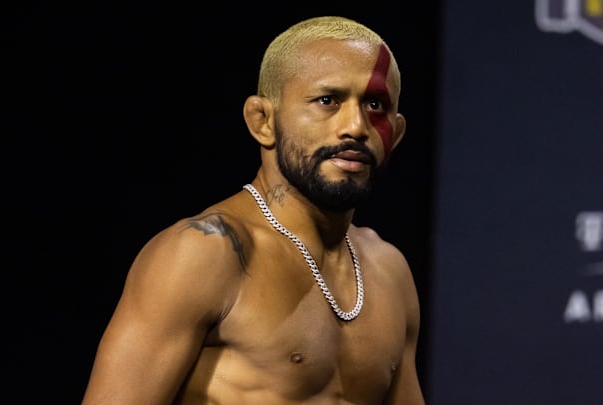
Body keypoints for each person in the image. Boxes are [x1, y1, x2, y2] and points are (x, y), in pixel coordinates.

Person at [81, 15, 424, 404]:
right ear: (262, 121)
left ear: (396, 133)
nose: (356, 126)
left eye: (375, 104)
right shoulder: (203, 254)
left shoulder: (389, 272)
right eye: (328, 100)